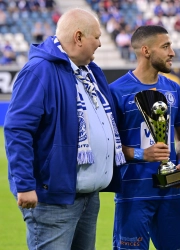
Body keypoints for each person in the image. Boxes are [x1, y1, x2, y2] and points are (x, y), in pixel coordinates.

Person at [4, 8, 125, 250]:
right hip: (53, 199)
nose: (101, 44)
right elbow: (18, 129)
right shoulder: (39, 70)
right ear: (78, 37)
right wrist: (25, 185)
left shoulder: (90, 72)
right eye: (97, 37)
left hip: (87, 197)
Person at [109, 25, 180, 250]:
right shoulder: (117, 92)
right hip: (133, 195)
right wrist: (140, 154)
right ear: (146, 50)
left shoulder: (174, 90)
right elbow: (108, 146)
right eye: (165, 46)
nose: (172, 52)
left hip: (171, 194)